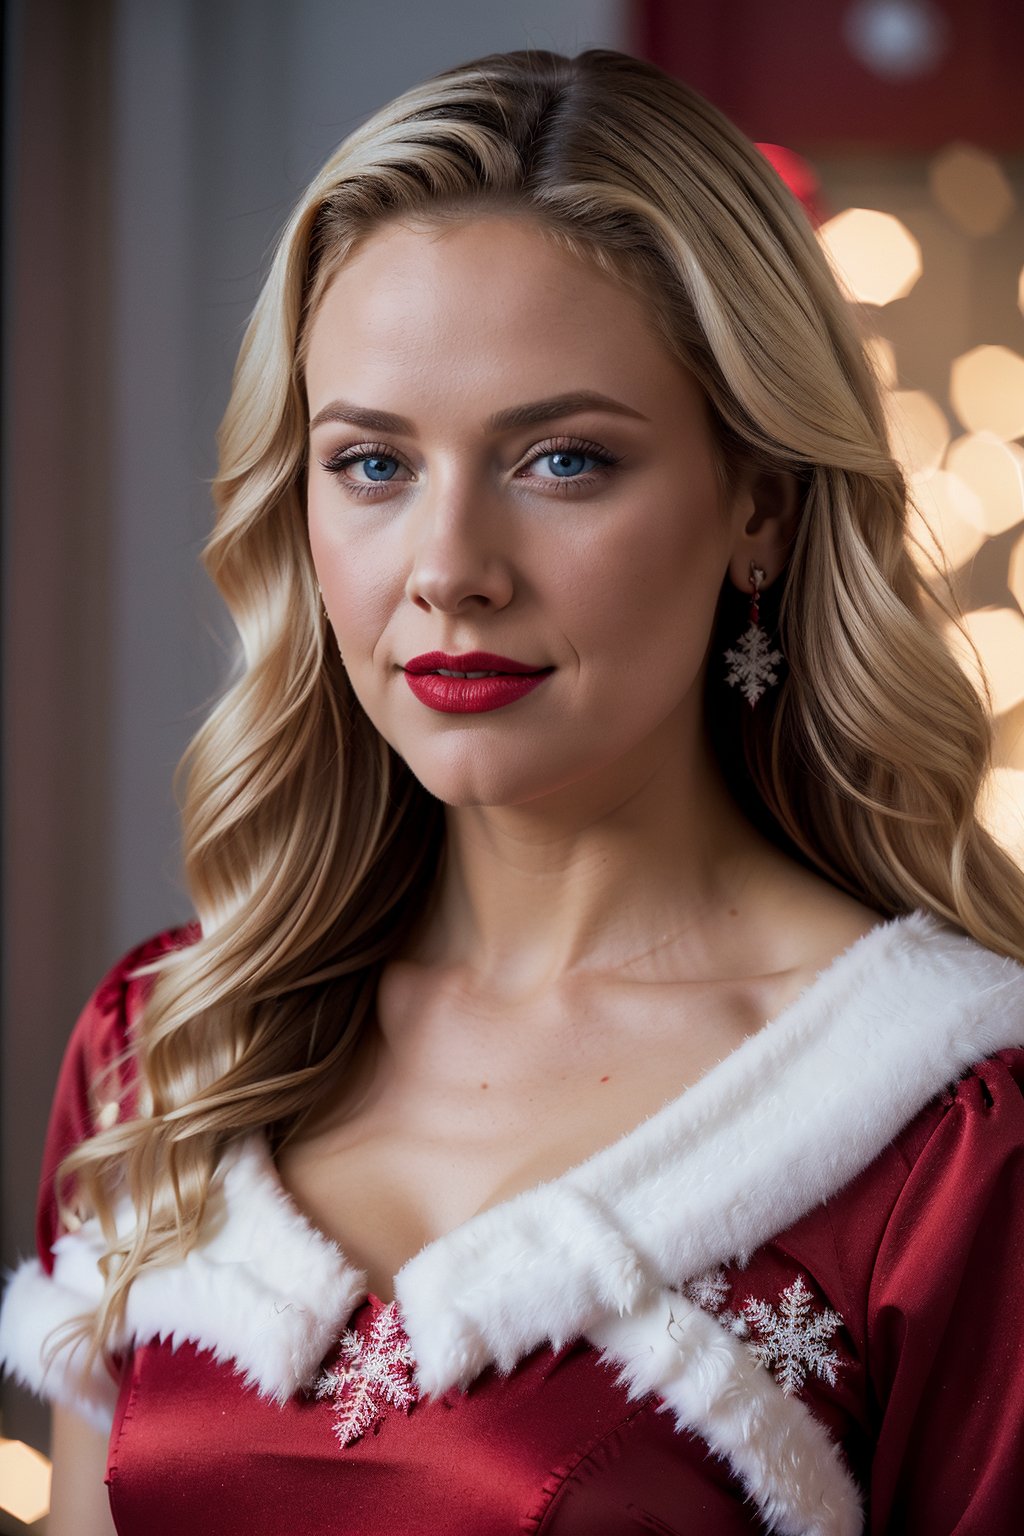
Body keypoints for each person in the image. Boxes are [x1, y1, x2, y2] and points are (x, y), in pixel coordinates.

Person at [2, 46, 1023, 1536]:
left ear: (759, 507)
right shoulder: (168, 1049)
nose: (449, 569)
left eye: (561, 459)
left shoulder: (947, 1134)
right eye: (371, 463)